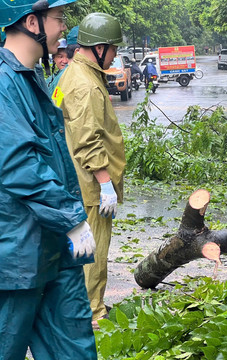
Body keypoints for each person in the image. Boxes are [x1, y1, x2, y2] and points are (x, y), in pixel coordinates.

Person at [0, 1, 97, 359]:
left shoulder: (32, 77)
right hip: (16, 256)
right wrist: (72, 219)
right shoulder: (3, 85)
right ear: (30, 22)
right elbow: (18, 165)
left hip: (53, 250)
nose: (63, 28)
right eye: (58, 19)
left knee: (74, 349)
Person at [53, 12, 127, 328]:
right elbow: (87, 140)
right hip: (90, 187)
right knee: (92, 253)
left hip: (73, 180)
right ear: (99, 47)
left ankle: (79, 309)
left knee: (78, 251)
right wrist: (105, 182)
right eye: (111, 49)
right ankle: (92, 313)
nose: (113, 56)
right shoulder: (86, 85)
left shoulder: (73, 74)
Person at [48, 26, 79, 97]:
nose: (65, 61)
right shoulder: (54, 79)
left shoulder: (64, 75)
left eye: (67, 56)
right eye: (60, 56)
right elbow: (56, 102)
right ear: (54, 58)